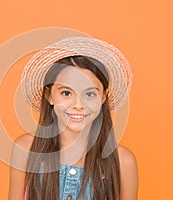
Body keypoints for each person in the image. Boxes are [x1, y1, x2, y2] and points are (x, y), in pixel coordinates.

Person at [9, 36, 138, 200]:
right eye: (66, 93)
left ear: (103, 97)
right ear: (49, 95)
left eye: (90, 94)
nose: (78, 104)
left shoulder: (123, 162)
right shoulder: (26, 150)